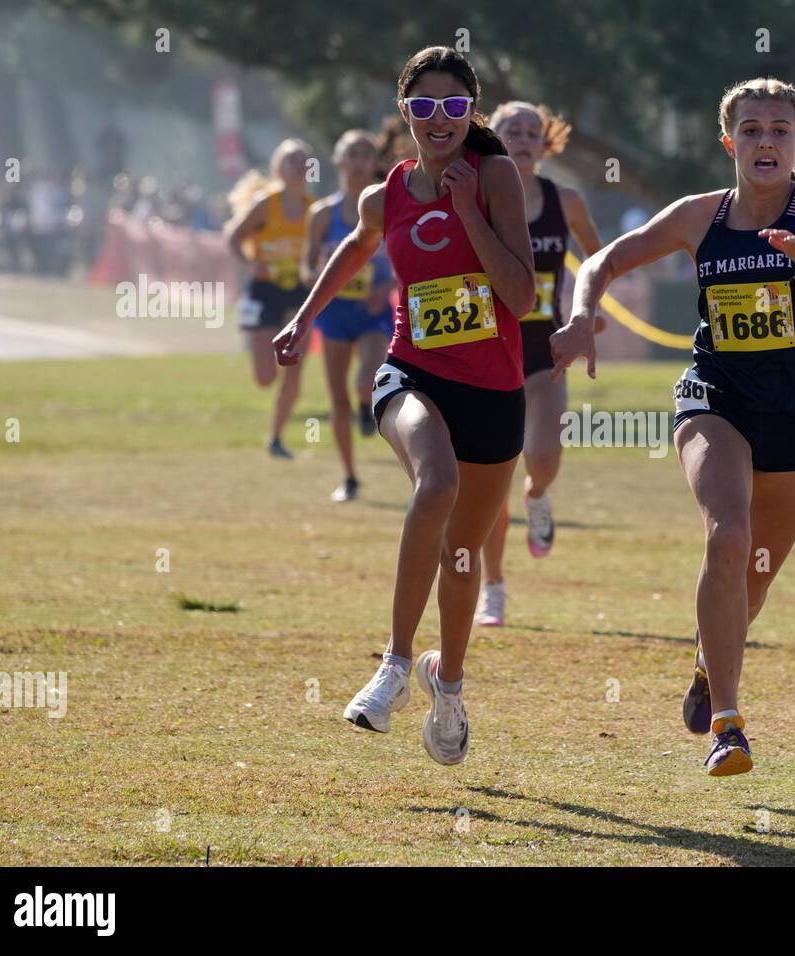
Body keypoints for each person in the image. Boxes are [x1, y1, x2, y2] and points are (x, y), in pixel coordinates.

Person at [550, 77, 795, 776]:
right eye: (751, 130)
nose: (766, 141)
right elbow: (604, 258)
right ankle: (729, 723)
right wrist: (580, 312)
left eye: (780, 130)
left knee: (755, 578)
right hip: (715, 396)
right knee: (727, 533)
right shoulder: (699, 216)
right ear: (729, 143)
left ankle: (704, 659)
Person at [272, 47, 534, 766]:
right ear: (404, 113)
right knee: (436, 483)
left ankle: (446, 685)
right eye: (423, 107)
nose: (439, 119)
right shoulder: (382, 194)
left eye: (454, 106)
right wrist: (301, 318)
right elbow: (354, 250)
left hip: (493, 389)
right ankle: (392, 663)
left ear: (470, 112)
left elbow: (522, 297)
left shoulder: (495, 177)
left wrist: (467, 214)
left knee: (462, 552)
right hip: (412, 370)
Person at [474, 101, 604, 627]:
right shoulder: (476, 196)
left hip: (545, 346)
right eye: (512, 130)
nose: (524, 138)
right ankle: (493, 588)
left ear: (545, 142)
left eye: (533, 131)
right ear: (492, 136)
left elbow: (600, 259)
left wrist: (585, 314)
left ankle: (539, 494)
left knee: (543, 457)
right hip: (486, 346)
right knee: (489, 483)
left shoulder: (564, 200)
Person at [302, 130, 397, 502]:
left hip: (372, 311)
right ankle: (349, 477)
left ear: (374, 163)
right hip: (335, 313)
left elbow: (404, 259)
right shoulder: (323, 213)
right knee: (336, 395)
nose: (359, 161)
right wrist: (327, 280)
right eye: (351, 154)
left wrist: (385, 287)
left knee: (367, 381)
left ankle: (365, 406)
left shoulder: (387, 206)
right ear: (339, 161)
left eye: (365, 154)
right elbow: (307, 268)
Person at [224, 139, 314, 458]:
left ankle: (275, 437)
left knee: (294, 366)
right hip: (264, 292)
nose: (299, 165)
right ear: (279, 168)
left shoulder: (313, 209)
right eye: (291, 160)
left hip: (299, 294)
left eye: (303, 160)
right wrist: (251, 263)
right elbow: (233, 237)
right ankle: (255, 350)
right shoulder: (266, 204)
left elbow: (320, 254)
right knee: (265, 377)